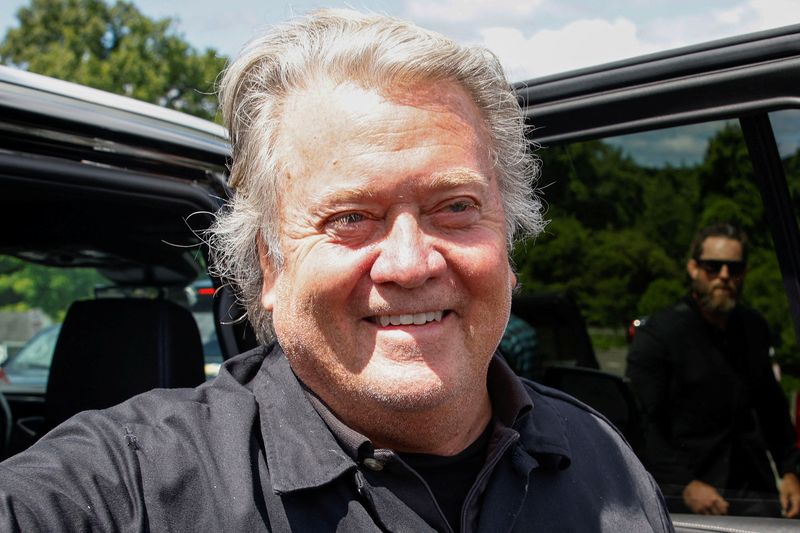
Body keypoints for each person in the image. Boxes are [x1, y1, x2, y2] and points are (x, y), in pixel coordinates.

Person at [0, 9, 672, 531]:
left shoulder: (601, 460)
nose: (410, 263)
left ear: (509, 235)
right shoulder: (131, 485)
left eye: (455, 207)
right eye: (351, 216)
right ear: (269, 261)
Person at [627, 223, 800, 518]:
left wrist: (791, 472)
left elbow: (773, 409)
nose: (724, 276)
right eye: (712, 267)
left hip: (752, 487)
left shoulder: (753, 328)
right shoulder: (659, 335)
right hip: (688, 493)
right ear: (693, 268)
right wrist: (684, 484)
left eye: (734, 268)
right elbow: (643, 423)